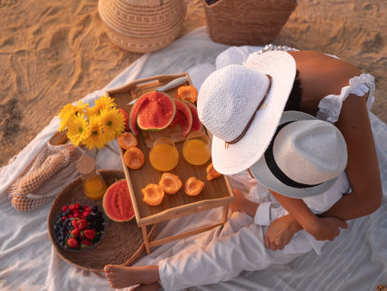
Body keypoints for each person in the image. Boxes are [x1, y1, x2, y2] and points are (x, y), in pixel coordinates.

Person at [105, 49, 382, 289]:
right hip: (295, 167)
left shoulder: (342, 107)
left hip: (315, 180)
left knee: (246, 247)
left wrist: (301, 222)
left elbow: (367, 198)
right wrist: (258, 209)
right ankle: (168, 272)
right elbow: (267, 165)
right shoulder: (250, 86)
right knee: (239, 214)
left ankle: (164, 273)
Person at [104, 110, 351, 290]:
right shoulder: (305, 144)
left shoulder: (325, 192)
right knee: (224, 232)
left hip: (292, 232)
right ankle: (169, 278)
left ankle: (159, 273)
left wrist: (247, 206)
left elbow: (296, 218)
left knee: (235, 250)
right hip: (271, 199)